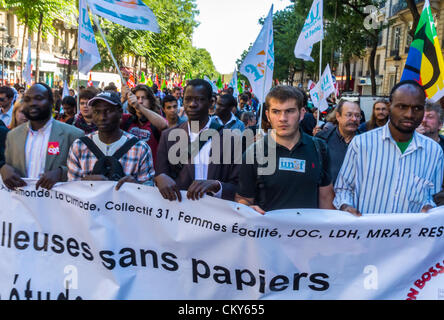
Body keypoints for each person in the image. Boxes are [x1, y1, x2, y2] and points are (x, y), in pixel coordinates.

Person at [334, 80, 444, 215]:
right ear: (390, 106)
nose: (409, 114)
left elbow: (432, 196)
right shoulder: (361, 144)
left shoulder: (434, 151)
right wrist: (346, 206)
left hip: (411, 234)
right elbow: (343, 188)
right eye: (402, 107)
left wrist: (429, 207)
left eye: (417, 108)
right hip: (365, 233)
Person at [235, 85, 334, 214]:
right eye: (276, 111)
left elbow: (326, 198)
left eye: (290, 111)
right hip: (267, 232)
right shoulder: (253, 153)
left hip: (309, 232)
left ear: (302, 113)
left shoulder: (320, 149)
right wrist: (246, 208)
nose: (283, 118)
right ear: (268, 115)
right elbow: (243, 198)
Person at [154, 79, 240, 202]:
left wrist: (217, 186)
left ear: (211, 103)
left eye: (199, 99)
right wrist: (159, 178)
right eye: (188, 99)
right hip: (179, 215)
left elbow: (239, 188)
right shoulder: (168, 137)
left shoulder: (230, 139)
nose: (192, 104)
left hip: (215, 218)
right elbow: (160, 177)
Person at [0, 83, 84, 190]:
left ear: (51, 102)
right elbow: (9, 168)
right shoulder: (12, 136)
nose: (32, 103)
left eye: (38, 98)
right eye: (27, 99)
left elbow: (85, 175)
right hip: (20, 203)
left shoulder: (73, 135)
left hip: (57, 205)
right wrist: (3, 168)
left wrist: (61, 173)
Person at [67, 91, 155, 190]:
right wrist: (84, 183)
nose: (102, 117)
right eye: (97, 112)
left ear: (120, 113)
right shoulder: (79, 146)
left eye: (108, 111)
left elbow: (149, 192)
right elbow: (71, 191)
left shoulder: (140, 149)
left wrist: (136, 186)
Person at [316, 100, 361, 184]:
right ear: (338, 116)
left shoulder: (366, 142)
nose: (354, 119)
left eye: (357, 116)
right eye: (349, 115)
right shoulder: (322, 139)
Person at [120, 84, 168, 165]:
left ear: (151, 101)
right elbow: (109, 118)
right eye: (137, 98)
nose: (140, 101)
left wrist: (138, 106)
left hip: (151, 173)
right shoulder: (127, 120)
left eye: (144, 98)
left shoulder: (155, 121)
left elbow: (164, 125)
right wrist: (123, 99)